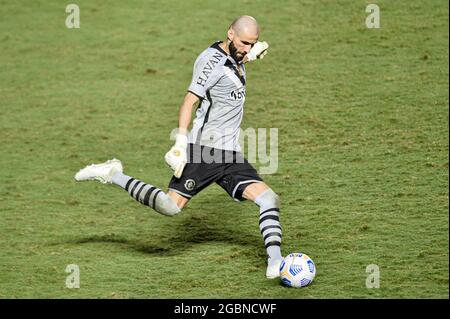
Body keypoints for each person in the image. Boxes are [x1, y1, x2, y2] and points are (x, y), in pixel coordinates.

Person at [75, 15, 283, 278]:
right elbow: (189, 102)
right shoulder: (210, 62)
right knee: (170, 207)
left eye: (252, 44)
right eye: (244, 43)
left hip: (230, 154)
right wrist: (181, 143)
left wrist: (249, 55)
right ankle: (113, 173)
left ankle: (276, 262)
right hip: (204, 152)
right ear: (230, 33)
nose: (247, 48)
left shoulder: (238, 55)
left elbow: (233, 64)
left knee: (268, 199)